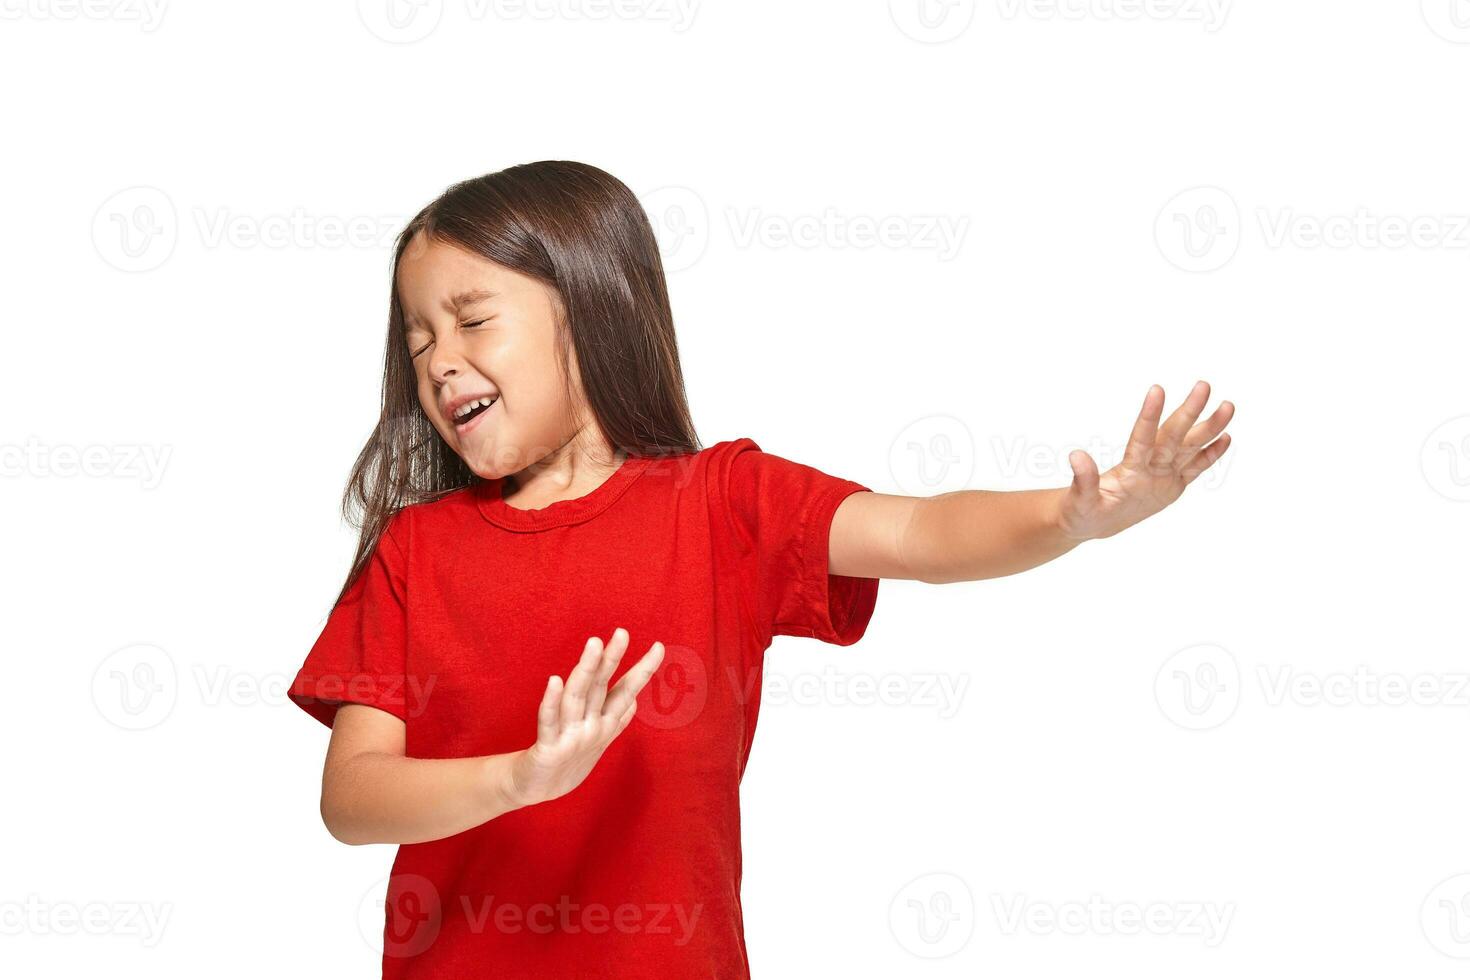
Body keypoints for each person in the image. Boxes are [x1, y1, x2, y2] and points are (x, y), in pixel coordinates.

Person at [286, 160, 1234, 979]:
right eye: (418, 341)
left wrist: (1069, 517)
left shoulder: (723, 505)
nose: (441, 362)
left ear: (590, 308)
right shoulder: (417, 550)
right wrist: (517, 781)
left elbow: (919, 534)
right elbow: (351, 798)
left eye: (472, 321)